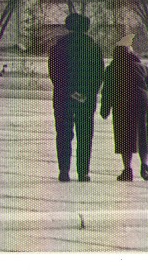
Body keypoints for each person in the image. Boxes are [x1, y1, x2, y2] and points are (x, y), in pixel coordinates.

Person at [47, 11, 105, 182]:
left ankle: (64, 170)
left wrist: (70, 91)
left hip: (63, 97)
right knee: (85, 134)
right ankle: (83, 171)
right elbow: (98, 75)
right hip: (85, 99)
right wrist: (85, 93)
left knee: (63, 134)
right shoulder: (93, 47)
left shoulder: (58, 47)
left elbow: (55, 74)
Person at [100, 33, 148, 181]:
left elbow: (107, 92)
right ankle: (145, 166)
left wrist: (105, 109)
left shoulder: (112, 69)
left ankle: (127, 170)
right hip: (142, 104)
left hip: (123, 104)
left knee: (125, 138)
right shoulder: (143, 68)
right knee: (143, 136)